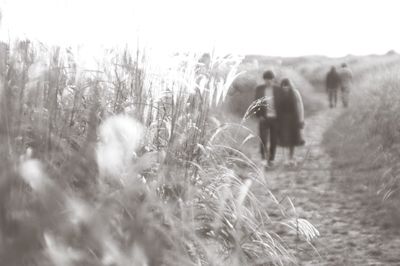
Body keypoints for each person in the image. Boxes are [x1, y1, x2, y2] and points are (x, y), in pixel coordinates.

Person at [274, 78, 305, 166]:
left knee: (293, 139)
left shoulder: (295, 93)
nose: (285, 88)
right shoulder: (278, 94)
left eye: (287, 86)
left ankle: (291, 158)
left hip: (293, 119)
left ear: (290, 86)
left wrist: (301, 119)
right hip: (282, 120)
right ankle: (285, 160)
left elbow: (300, 106)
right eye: (283, 86)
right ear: (281, 86)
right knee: (283, 139)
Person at [254, 70, 279, 167]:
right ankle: (263, 158)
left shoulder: (277, 89)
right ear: (264, 79)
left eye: (270, 79)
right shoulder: (259, 89)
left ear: (273, 79)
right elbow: (256, 103)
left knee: (274, 139)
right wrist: (259, 116)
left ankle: (271, 159)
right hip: (264, 118)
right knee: (263, 138)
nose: (268, 81)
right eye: (266, 79)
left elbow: (281, 104)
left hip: (275, 119)